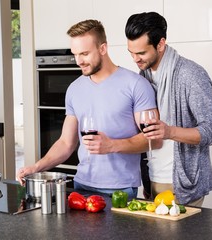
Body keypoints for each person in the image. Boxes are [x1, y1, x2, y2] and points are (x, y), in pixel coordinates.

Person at [17, 19, 160, 200]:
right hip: (81, 186)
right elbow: (65, 143)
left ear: (103, 49)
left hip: (120, 189)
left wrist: (112, 145)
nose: (79, 61)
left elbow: (154, 140)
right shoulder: (74, 89)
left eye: (84, 53)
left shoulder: (136, 85)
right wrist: (36, 167)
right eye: (75, 54)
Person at [125, 12, 212, 206]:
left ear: (160, 44)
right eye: (131, 52)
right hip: (152, 179)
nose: (135, 59)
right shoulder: (142, 76)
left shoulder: (190, 75)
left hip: (183, 183)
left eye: (141, 53)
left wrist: (169, 132)